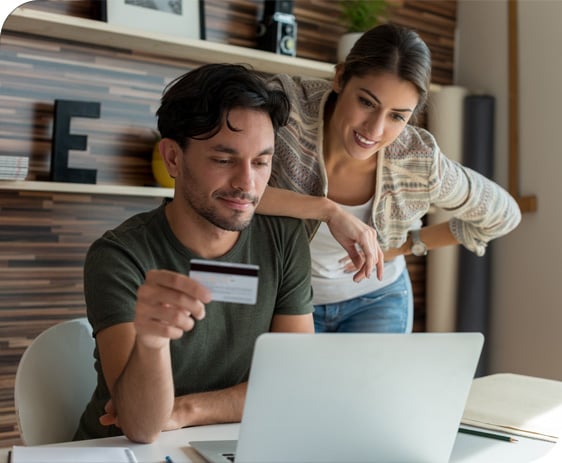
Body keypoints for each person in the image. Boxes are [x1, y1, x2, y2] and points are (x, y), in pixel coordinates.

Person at [74, 63, 315, 443]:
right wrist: (151, 343)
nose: (246, 184)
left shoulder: (284, 237)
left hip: (235, 443)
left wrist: (187, 409)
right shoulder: (121, 255)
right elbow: (141, 425)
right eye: (223, 160)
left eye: (261, 162)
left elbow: (294, 384)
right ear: (172, 158)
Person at [255, 23, 521, 333]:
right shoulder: (285, 111)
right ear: (340, 78)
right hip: (286, 297)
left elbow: (503, 213)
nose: (375, 129)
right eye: (366, 102)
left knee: (377, 385)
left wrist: (406, 246)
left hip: (378, 299)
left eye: (397, 116)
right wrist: (327, 210)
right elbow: (224, 186)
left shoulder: (417, 159)